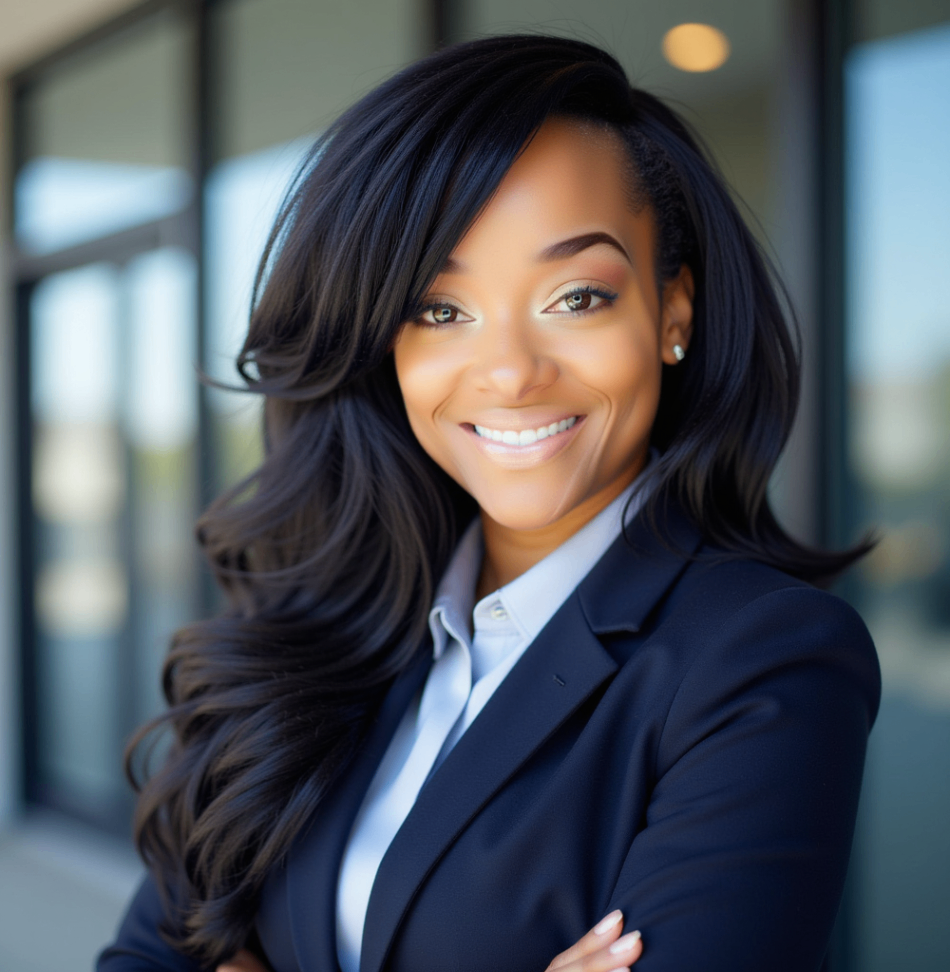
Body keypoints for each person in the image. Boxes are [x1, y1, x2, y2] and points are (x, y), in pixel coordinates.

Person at [98, 34, 880, 972]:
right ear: (384, 343)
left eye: (577, 296)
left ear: (673, 311)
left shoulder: (762, 657)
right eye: (440, 310)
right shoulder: (323, 617)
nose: (510, 372)